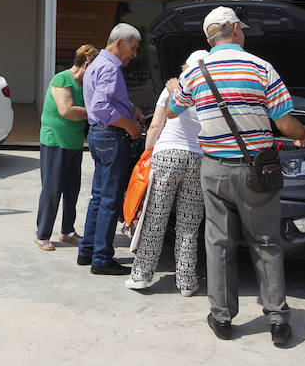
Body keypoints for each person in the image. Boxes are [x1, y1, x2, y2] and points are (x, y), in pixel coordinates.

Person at [167, 6, 305, 347]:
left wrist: (178, 86)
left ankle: (222, 317)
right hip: (256, 170)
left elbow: (173, 109)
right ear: (233, 30)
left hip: (214, 168)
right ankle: (277, 318)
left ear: (209, 38)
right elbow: (285, 124)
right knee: (266, 241)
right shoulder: (262, 68)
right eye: (241, 28)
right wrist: (303, 132)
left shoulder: (195, 74)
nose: (243, 33)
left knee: (218, 242)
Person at [125, 50, 208, 295]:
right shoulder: (210, 93)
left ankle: (141, 276)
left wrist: (146, 155)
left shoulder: (175, 88)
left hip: (167, 155)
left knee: (155, 218)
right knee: (189, 224)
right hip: (198, 159)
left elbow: (155, 125)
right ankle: (186, 282)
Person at [78, 23, 146, 275]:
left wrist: (130, 107)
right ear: (119, 43)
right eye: (133, 48)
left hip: (99, 136)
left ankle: (87, 250)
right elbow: (101, 108)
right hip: (111, 136)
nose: (135, 54)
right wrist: (130, 126)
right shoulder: (110, 67)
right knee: (109, 199)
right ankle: (102, 258)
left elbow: (106, 100)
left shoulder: (97, 64)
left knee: (99, 196)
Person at [34, 44, 99, 251]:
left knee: (72, 189)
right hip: (56, 142)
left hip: (73, 143)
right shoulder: (63, 79)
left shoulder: (83, 84)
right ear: (87, 65)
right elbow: (67, 110)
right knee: (52, 190)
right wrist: (95, 111)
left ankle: (67, 231)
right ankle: (42, 234)